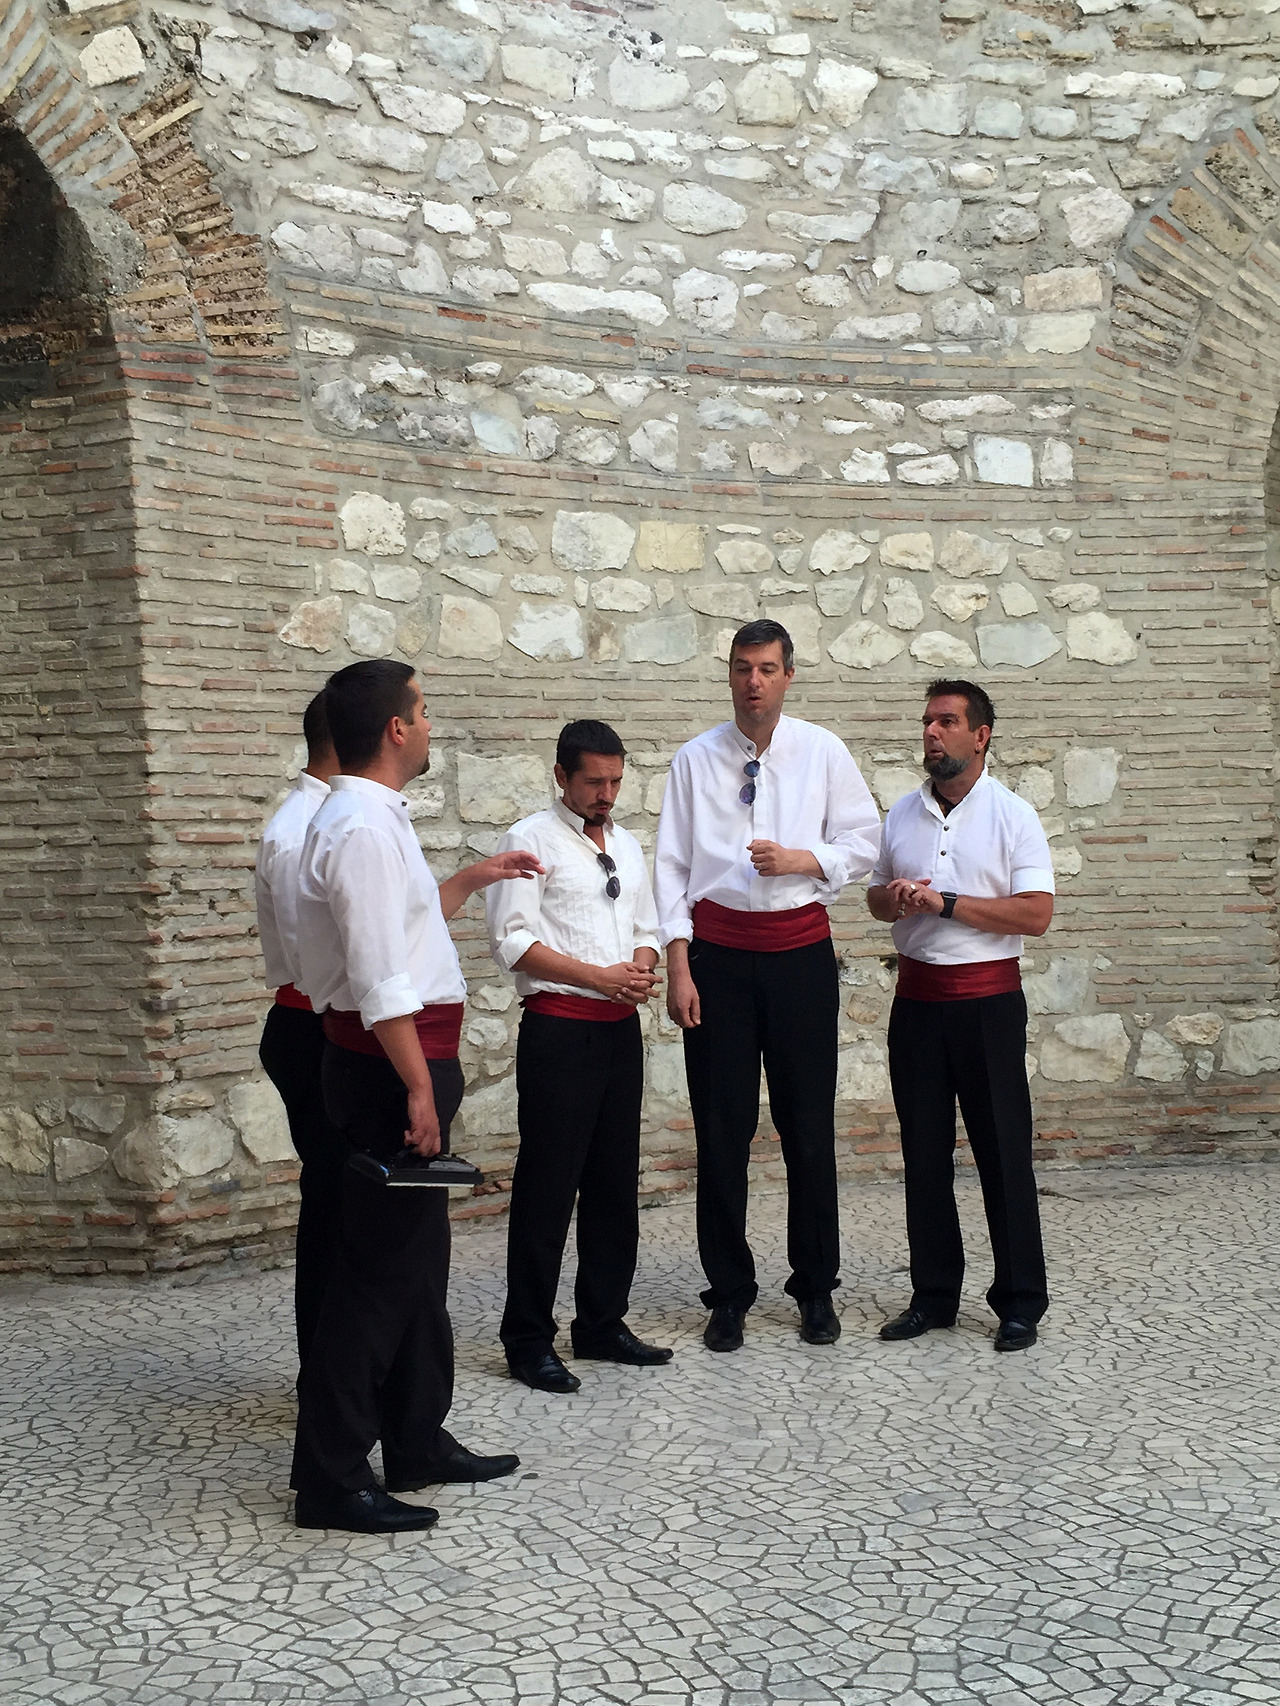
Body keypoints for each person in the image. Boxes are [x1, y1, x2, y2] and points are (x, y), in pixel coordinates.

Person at [290, 658, 543, 1534]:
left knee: (416, 1270)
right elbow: (375, 974)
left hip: (401, 1062)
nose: (431, 724)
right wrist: (416, 1086)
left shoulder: (373, 817)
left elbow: (401, 925)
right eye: (424, 711)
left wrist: (472, 878)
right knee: (371, 1280)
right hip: (386, 1070)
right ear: (396, 728)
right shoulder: (359, 825)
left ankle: (415, 1437)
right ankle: (330, 1477)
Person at [654, 619, 881, 1353]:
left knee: (807, 1128)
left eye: (767, 669)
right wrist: (679, 965)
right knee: (721, 1130)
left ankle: (815, 1287)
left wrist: (803, 859)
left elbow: (865, 843)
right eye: (742, 667)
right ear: (729, 674)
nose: (754, 681)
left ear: (788, 676)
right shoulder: (694, 759)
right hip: (717, 960)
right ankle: (728, 1293)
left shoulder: (823, 751)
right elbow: (671, 867)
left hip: (799, 958)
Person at [866, 679, 1054, 1353]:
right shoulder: (902, 814)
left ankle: (1020, 1302)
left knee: (1003, 1152)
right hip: (917, 1004)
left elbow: (1036, 913)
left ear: (981, 736)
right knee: (923, 1155)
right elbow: (875, 903)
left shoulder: (1014, 815)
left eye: (946, 721)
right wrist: (895, 899)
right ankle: (934, 1296)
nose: (931, 732)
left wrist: (946, 902)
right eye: (927, 721)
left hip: (988, 1006)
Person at [487, 719, 669, 1395]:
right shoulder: (529, 841)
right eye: (593, 781)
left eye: (616, 781)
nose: (606, 793)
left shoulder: (627, 843)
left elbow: (647, 925)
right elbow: (512, 942)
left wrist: (640, 968)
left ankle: (601, 1322)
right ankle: (527, 1339)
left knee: (614, 1184)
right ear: (561, 776)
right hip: (560, 1031)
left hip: (619, 1031)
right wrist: (598, 977)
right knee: (548, 1188)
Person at [254, 691, 341, 1373]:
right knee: (335, 1208)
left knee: (353, 1209)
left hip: (333, 1025)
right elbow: (315, 963)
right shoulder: (297, 834)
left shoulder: (343, 818)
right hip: (314, 1028)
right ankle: (325, 1372)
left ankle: (349, 1370)